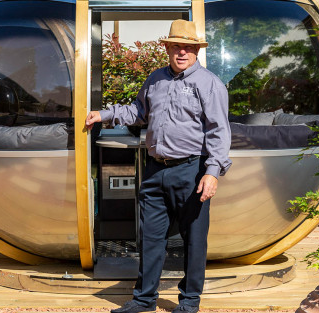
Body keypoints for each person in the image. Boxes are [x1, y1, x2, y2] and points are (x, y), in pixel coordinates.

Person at [85, 19, 232, 313]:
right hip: (154, 170)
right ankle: (144, 300)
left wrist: (212, 172)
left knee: (193, 240)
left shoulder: (209, 84)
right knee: (151, 238)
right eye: (176, 46)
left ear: (196, 51)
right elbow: (139, 111)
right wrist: (105, 114)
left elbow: (219, 131)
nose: (182, 52)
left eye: (188, 48)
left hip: (192, 171)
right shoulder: (155, 79)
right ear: (167, 48)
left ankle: (189, 303)